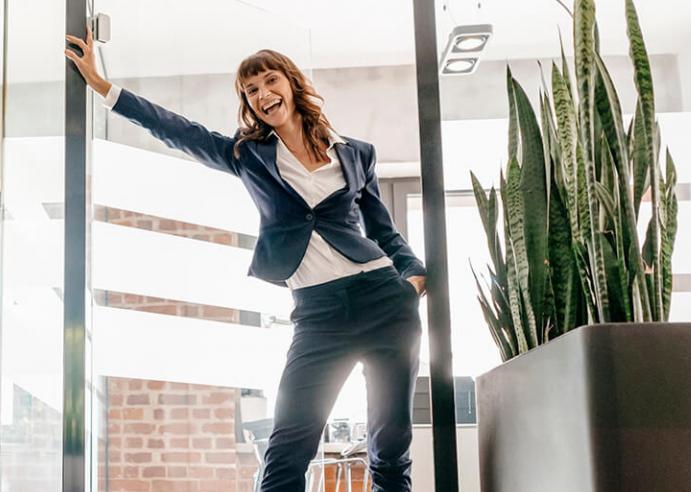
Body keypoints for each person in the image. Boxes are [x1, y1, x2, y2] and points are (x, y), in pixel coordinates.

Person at [66, 32, 426, 491]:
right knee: (287, 451)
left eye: (270, 81)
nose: (262, 94)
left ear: (292, 84)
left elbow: (383, 228)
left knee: (390, 449)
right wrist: (104, 87)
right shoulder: (248, 155)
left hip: (384, 302)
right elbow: (178, 130)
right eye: (251, 90)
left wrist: (412, 277)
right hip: (319, 313)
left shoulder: (356, 153)